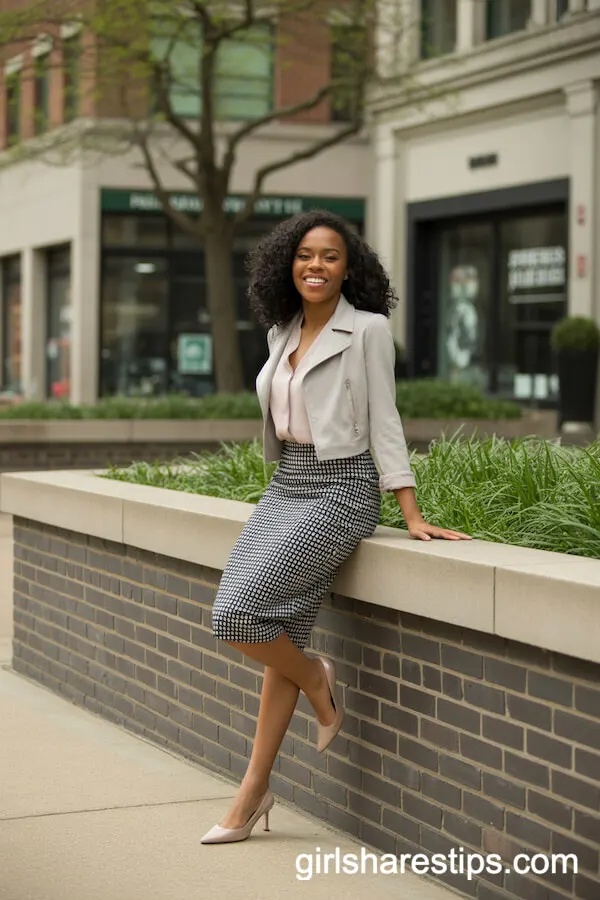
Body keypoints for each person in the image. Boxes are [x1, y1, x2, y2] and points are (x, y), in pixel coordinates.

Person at [200, 210, 471, 845]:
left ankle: (318, 679)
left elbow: (385, 420)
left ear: (349, 268)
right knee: (277, 632)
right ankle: (253, 792)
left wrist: (410, 511)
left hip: (340, 488)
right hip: (284, 484)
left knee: (234, 615)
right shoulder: (281, 327)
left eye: (329, 257)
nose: (315, 266)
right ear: (285, 265)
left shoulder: (369, 330)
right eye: (304, 255)